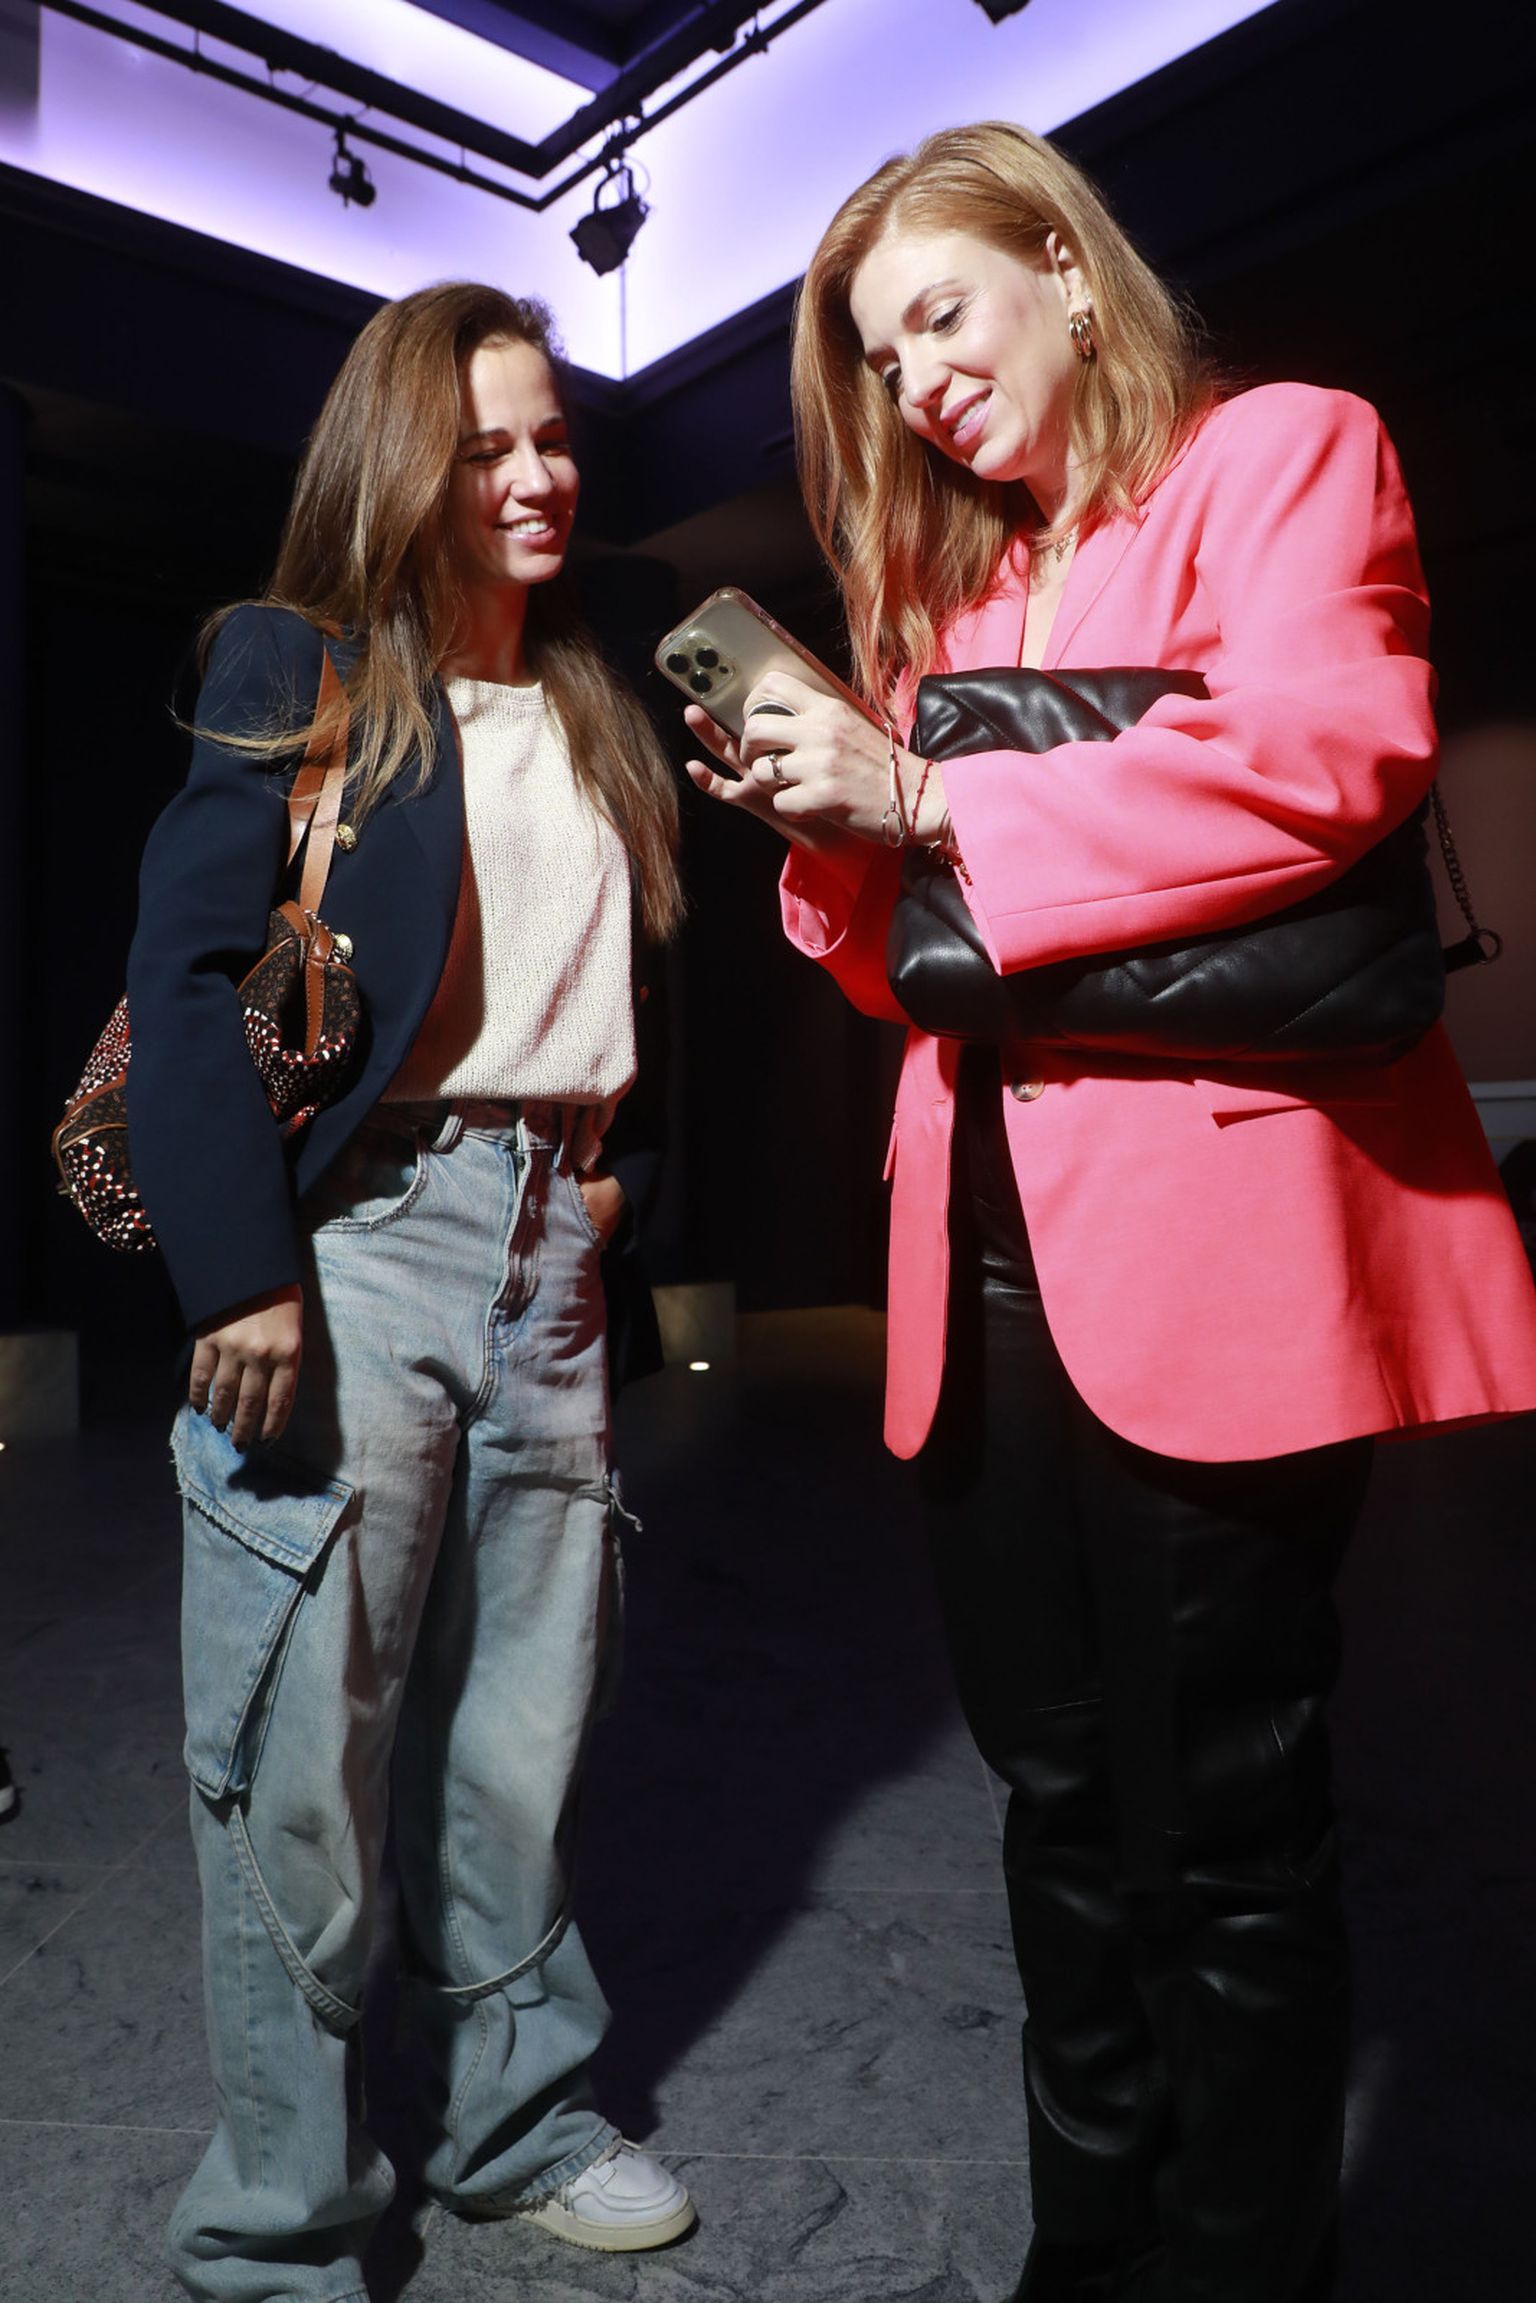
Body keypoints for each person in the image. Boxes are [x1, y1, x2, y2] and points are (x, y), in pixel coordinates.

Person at [683, 122, 1536, 2303]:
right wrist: (837, 821)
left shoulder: (1282, 452)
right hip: (974, 1249)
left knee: (1230, 1826)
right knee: (1055, 1804)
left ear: (1066, 264)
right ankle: (1087, 2255)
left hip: (1216, 1246)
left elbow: (1333, 754)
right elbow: (912, 969)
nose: (917, 386)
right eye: (882, 364)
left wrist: (933, 789)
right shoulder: (957, 600)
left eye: (940, 315)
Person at [125, 282, 693, 2302]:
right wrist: (242, 1270)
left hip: (553, 1246)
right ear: (398, 465)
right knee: (302, 1762)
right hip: (354, 1245)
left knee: (517, 1743)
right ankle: (278, 2224)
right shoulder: (304, 665)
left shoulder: (602, 693)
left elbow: (637, 983)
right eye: (481, 449)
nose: (534, 477)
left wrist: (619, 1196)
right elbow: (189, 972)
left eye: (550, 437)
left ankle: (513, 2129)